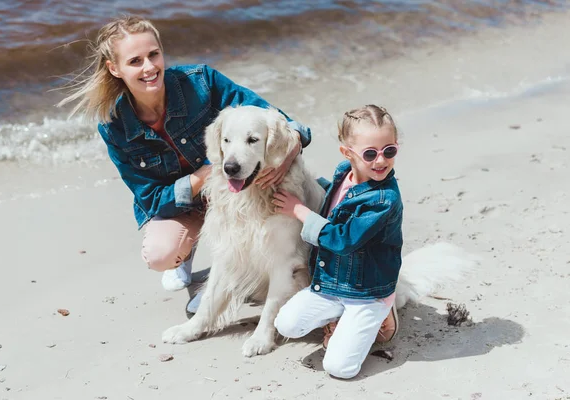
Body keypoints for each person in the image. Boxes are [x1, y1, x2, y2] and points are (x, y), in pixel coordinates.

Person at [57, 16, 310, 311]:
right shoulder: (114, 126)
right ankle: (190, 254)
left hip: (235, 193)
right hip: (191, 201)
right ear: (115, 69)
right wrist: (205, 175)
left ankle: (236, 279)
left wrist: (286, 157)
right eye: (135, 61)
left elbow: (283, 123)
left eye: (154, 55)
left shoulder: (202, 81)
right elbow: (151, 200)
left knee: (293, 208)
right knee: (160, 254)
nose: (150, 67)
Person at [272, 105, 402, 379]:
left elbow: (342, 240)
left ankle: (383, 310)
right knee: (286, 324)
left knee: (339, 368)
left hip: (366, 291)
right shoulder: (344, 172)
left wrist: (299, 210)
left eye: (389, 150)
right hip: (332, 282)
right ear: (348, 153)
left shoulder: (383, 200)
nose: (381, 161)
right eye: (370, 153)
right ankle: (341, 318)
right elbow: (333, 200)